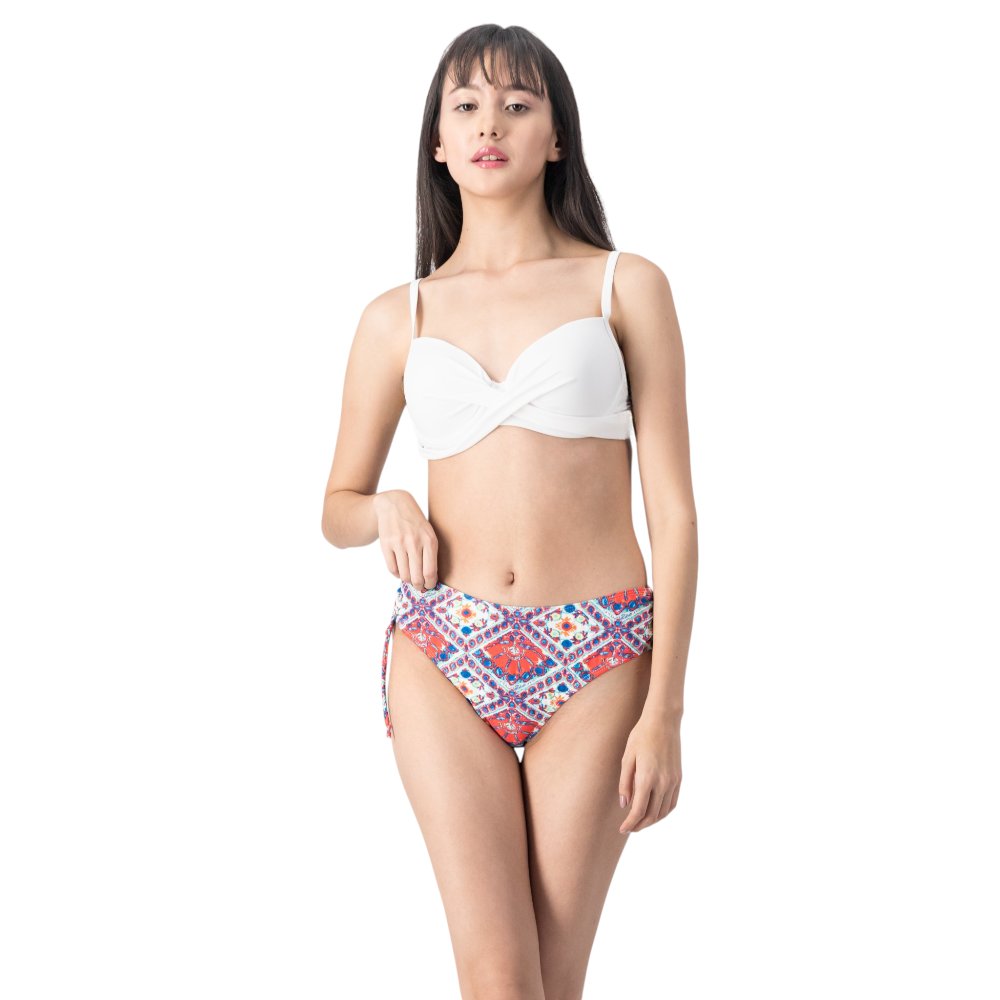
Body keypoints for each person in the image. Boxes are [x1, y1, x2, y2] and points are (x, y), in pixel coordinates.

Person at [321, 23, 697, 1000]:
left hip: (601, 649)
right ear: (439, 143)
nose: (490, 124)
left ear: (556, 137)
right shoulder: (397, 315)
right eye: (468, 106)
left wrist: (665, 712)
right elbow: (336, 507)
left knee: (550, 985)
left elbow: (675, 513)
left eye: (517, 104)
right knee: (498, 980)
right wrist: (386, 506)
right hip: (443, 647)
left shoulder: (624, 285)